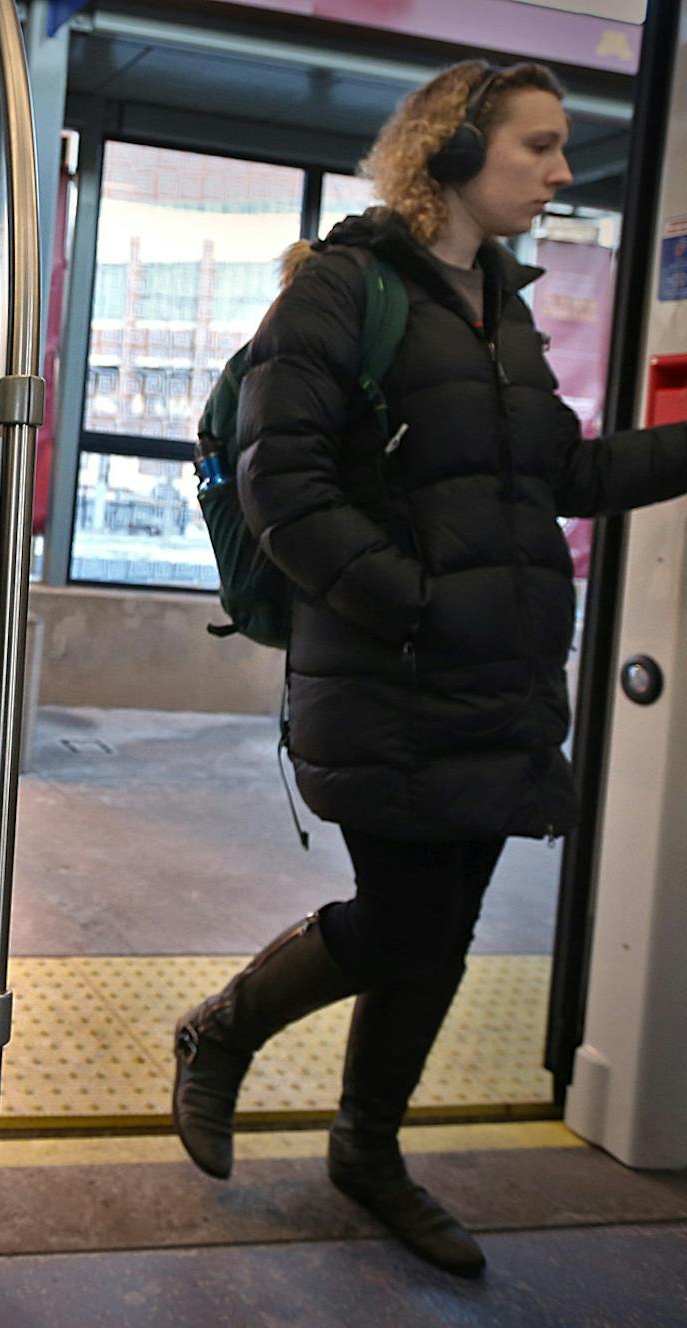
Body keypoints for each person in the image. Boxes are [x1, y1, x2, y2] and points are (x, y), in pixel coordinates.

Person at [171, 61, 687, 1277]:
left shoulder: (499, 311)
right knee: (405, 917)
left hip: (494, 685)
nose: (563, 172)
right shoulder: (344, 290)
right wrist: (416, 608)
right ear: (452, 149)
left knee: (439, 934)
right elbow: (280, 487)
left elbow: (563, 477)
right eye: (540, 145)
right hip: (392, 680)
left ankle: (367, 1147)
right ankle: (222, 1030)